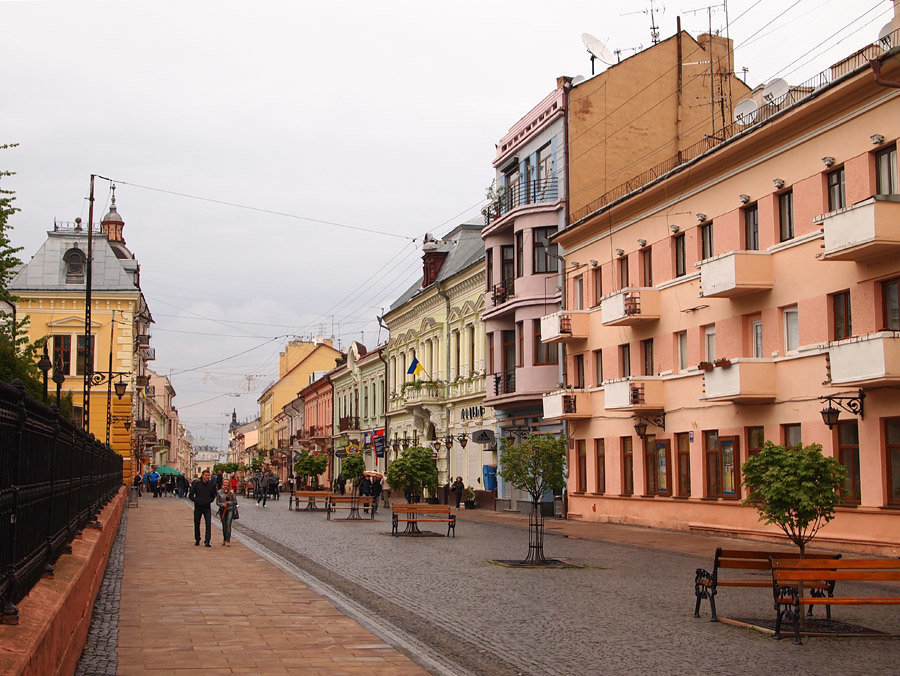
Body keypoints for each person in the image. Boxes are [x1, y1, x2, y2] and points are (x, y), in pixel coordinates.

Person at [188, 469, 218, 547]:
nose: (207, 477)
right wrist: (197, 501)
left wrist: (209, 501)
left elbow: (213, 495)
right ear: (202, 475)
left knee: (208, 523)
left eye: (208, 475)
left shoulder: (211, 485)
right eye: (206, 475)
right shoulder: (197, 484)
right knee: (197, 523)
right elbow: (191, 495)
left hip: (207, 507)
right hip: (198, 506)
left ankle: (207, 540)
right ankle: (197, 539)